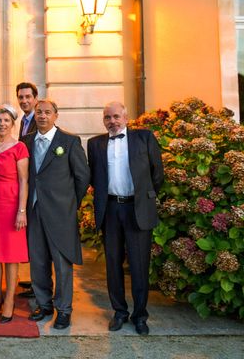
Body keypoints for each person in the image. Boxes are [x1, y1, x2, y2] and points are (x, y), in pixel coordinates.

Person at [87, 101, 164, 335]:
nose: (112, 121)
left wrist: (144, 198)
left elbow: (157, 173)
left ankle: (140, 315)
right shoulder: (95, 144)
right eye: (107, 117)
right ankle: (119, 312)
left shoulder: (145, 138)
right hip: (110, 210)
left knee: (140, 266)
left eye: (116, 116)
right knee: (113, 264)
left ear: (126, 117)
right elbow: (93, 177)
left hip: (137, 209)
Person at [21, 99, 89, 330]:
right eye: (38, 112)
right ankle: (44, 304)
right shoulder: (26, 141)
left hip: (61, 213)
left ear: (55, 115)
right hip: (34, 210)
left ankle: (64, 309)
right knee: (38, 261)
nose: (42, 116)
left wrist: (71, 204)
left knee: (62, 264)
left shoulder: (69, 141)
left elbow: (82, 177)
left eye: (47, 112)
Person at [0, 105, 29, 323]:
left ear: (13, 123)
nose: (2, 124)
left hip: (12, 202)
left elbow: (23, 180)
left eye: (6, 120)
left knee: (11, 256)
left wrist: (22, 211)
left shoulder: (19, 147)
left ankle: (10, 299)